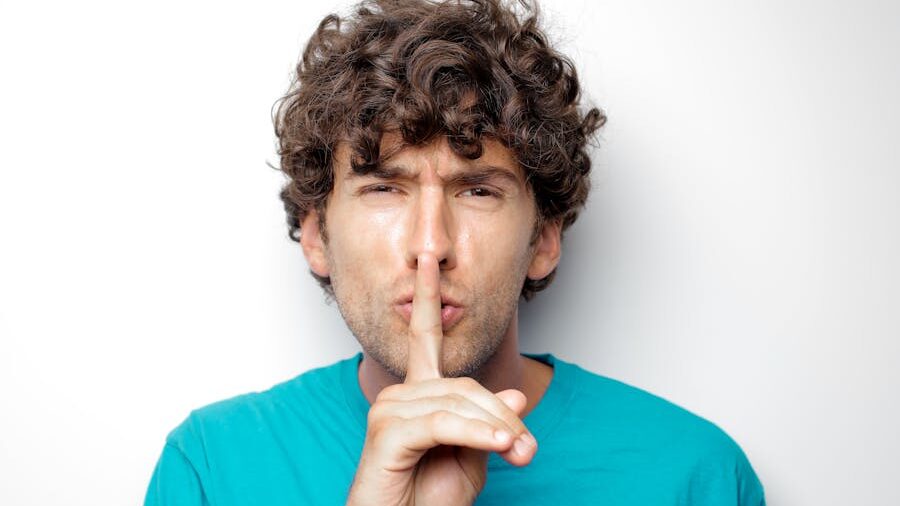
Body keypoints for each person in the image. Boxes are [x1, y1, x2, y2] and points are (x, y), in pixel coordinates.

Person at [144, 0, 765, 504]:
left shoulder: (696, 476)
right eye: (384, 187)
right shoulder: (211, 468)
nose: (430, 246)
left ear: (543, 240)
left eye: (477, 190)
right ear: (316, 236)